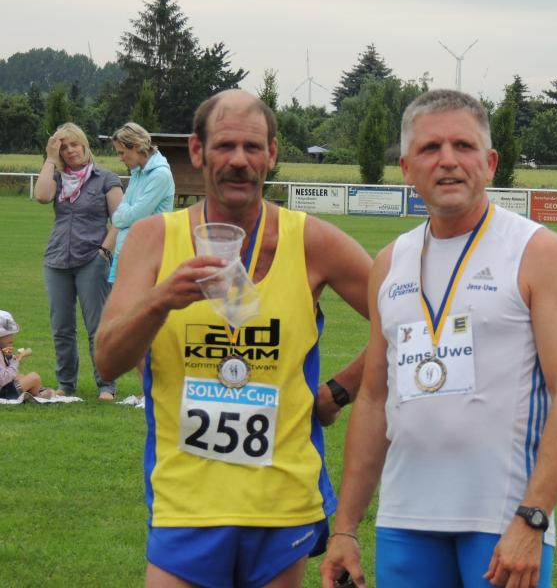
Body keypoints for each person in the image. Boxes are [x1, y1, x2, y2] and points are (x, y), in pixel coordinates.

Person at [95, 89, 371, 588]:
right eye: (224, 146)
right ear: (198, 151)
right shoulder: (155, 238)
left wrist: (340, 389)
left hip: (282, 497)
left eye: (252, 147)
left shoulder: (311, 240)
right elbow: (108, 361)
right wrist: (161, 301)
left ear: (272, 154)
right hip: (185, 498)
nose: (239, 160)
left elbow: (406, 323)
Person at [320, 89, 557, 588]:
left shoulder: (538, 252)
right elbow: (375, 398)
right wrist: (346, 529)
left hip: (502, 520)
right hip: (404, 520)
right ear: (407, 168)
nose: (448, 160)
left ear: (490, 163)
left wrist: (533, 518)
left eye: (463, 146)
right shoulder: (391, 262)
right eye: (430, 148)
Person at [34, 122, 122, 401]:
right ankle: (66, 384)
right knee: (62, 328)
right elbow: (42, 196)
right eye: (64, 148)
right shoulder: (57, 178)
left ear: (84, 145)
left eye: (74, 144)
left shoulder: (105, 178)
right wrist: (50, 158)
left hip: (91, 260)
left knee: (98, 327)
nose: (70, 151)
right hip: (56, 259)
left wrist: (104, 252)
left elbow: (120, 220)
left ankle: (106, 385)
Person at [109, 121, 175, 284]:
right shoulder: (137, 172)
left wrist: (121, 216)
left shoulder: (160, 175)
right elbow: (124, 208)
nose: (120, 158)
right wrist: (124, 214)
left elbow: (135, 216)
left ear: (137, 146)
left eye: (122, 152)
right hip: (125, 251)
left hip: (146, 254)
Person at [0, 310, 55, 400]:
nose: (12, 337)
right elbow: (3, 379)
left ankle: (37, 391)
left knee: (20, 376)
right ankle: (38, 395)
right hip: (3, 393)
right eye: (8, 334)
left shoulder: (2, 350)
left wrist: (9, 358)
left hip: (3, 388)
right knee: (34, 377)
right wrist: (16, 362)